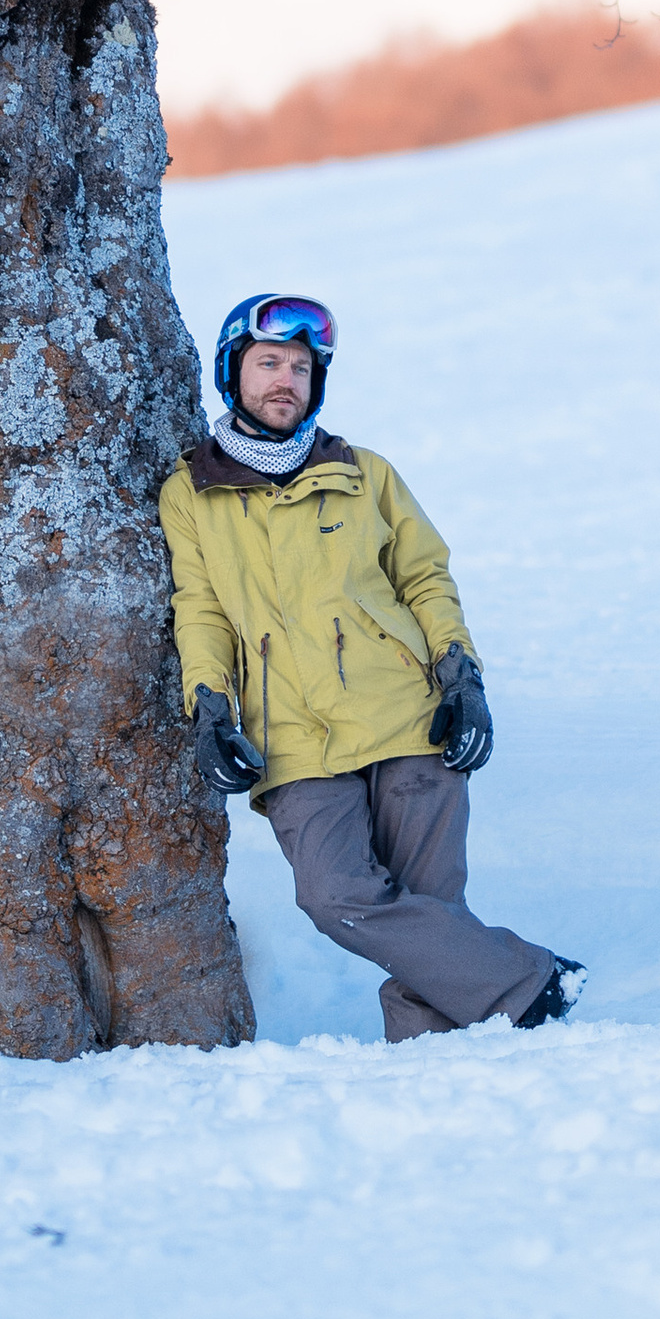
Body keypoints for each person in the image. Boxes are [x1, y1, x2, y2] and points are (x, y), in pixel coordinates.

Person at [160, 292, 579, 1041]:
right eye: (268, 364)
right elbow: (202, 610)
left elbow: (425, 578)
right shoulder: (192, 493)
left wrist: (462, 675)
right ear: (232, 373)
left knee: (431, 905)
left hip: (408, 715)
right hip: (291, 737)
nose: (287, 380)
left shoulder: (366, 474)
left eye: (301, 366)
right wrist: (209, 707)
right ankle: (532, 983)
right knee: (335, 897)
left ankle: (427, 1062)